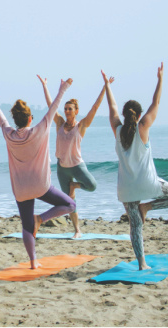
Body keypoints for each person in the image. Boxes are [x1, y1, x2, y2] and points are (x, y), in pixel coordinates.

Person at [102, 63, 168, 270]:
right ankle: (147, 206)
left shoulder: (118, 129)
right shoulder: (144, 127)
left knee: (135, 226)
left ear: (124, 115)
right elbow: (156, 102)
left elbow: (111, 108)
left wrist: (107, 86)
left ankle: (142, 263)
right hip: (148, 184)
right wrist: (160, 79)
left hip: (127, 188)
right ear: (139, 115)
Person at [0, 79, 77, 269]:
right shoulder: (39, 130)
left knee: (26, 227)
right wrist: (63, 89)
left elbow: (1, 119)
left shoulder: (8, 134)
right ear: (29, 119)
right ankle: (40, 219)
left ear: (17, 120)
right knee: (70, 204)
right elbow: (53, 108)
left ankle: (33, 263)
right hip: (41, 186)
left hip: (21, 189)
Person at [37, 74, 114, 238]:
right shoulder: (58, 123)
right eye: (65, 109)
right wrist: (45, 85)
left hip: (78, 166)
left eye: (69, 109)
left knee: (92, 185)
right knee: (69, 204)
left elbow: (95, 107)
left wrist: (105, 87)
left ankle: (75, 186)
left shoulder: (82, 126)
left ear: (76, 111)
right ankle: (77, 230)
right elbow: (52, 105)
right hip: (62, 169)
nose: (66, 111)